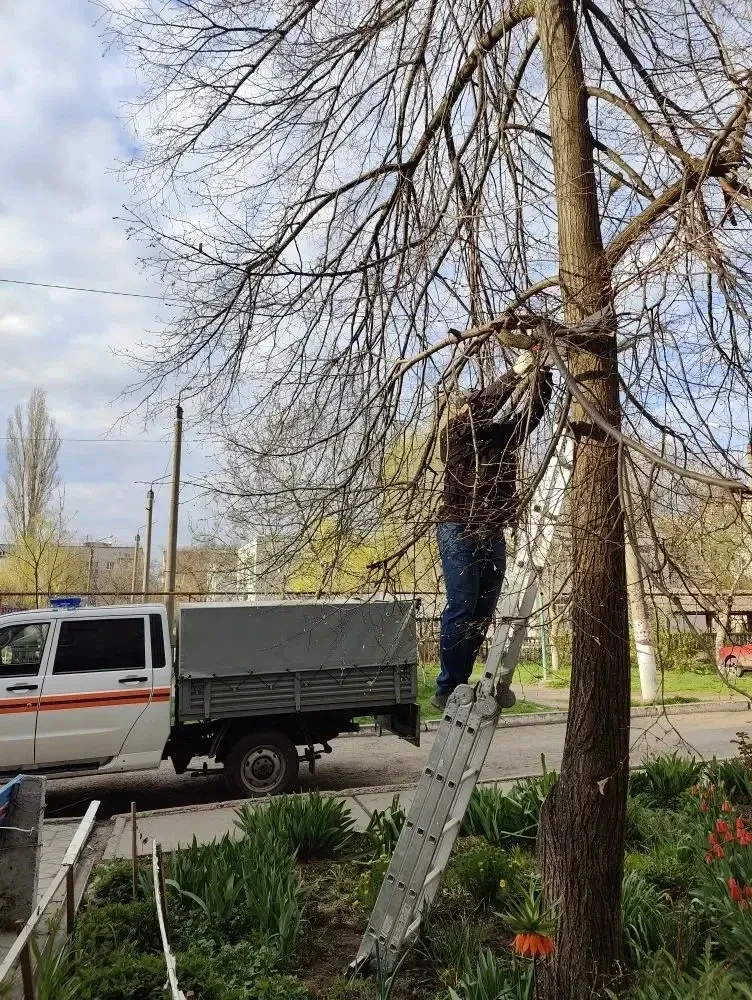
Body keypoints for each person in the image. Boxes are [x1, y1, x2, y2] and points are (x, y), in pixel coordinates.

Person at [432, 350, 553, 710]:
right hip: (459, 527)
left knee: (483, 611)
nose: (469, 410)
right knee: (462, 605)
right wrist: (516, 372)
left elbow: (532, 414)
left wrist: (543, 373)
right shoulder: (455, 434)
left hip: (492, 531)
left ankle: (465, 680)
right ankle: (449, 684)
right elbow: (484, 406)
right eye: (467, 406)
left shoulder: (503, 438)